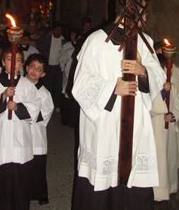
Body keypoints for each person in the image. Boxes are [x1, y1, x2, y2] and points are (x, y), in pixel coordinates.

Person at [71, 21, 166, 210]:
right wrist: (113, 88)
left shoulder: (145, 41)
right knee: (104, 168)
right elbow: (80, 83)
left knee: (134, 172)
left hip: (136, 118)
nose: (144, 17)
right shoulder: (96, 40)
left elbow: (158, 76)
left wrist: (143, 71)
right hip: (104, 120)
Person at [0, 43, 40, 210]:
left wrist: (18, 107)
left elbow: (35, 106)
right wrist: (3, 95)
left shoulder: (27, 85)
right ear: (2, 62)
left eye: (18, 60)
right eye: (9, 59)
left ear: (22, 63)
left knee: (18, 178)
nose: (14, 63)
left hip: (19, 138)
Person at [151, 47, 179, 201]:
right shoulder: (152, 73)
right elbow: (145, 98)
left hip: (170, 122)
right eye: (159, 52)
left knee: (168, 157)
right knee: (156, 156)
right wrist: (158, 109)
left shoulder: (178, 74)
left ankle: (169, 186)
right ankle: (154, 190)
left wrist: (173, 114)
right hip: (154, 123)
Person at [25, 53, 54, 205]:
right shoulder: (18, 86)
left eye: (38, 69)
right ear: (26, 67)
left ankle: (41, 194)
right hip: (20, 134)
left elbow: (47, 111)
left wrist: (25, 115)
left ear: (43, 74)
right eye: (32, 67)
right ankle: (24, 193)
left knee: (37, 168)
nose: (34, 71)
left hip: (36, 135)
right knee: (23, 167)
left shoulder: (44, 93)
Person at [37, 21, 65, 111]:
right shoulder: (47, 39)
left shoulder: (63, 41)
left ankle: (57, 105)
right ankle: (46, 105)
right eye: (56, 30)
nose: (58, 32)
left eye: (60, 30)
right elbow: (39, 45)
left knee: (57, 87)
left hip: (58, 67)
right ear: (53, 30)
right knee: (46, 86)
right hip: (48, 66)